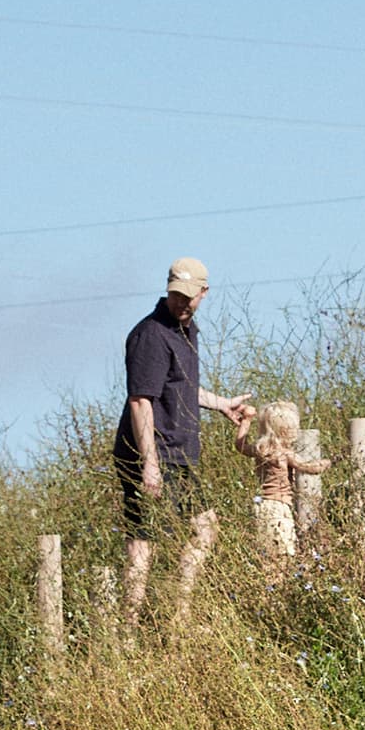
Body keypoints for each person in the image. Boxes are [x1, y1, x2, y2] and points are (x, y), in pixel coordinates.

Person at [119, 258, 254, 618]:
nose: (182, 302)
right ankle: (130, 630)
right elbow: (140, 401)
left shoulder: (186, 332)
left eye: (189, 296)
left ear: (204, 293)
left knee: (205, 529)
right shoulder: (151, 335)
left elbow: (180, 387)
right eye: (176, 295)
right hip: (151, 453)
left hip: (178, 454)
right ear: (167, 290)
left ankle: (178, 613)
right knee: (143, 543)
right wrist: (149, 465)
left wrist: (221, 404)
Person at [238, 400, 329, 568]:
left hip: (263, 505)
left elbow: (240, 446)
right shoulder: (285, 454)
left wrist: (246, 421)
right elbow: (309, 468)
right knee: (283, 556)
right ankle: (277, 585)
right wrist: (328, 462)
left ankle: (269, 585)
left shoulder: (261, 449)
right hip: (279, 508)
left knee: (268, 555)